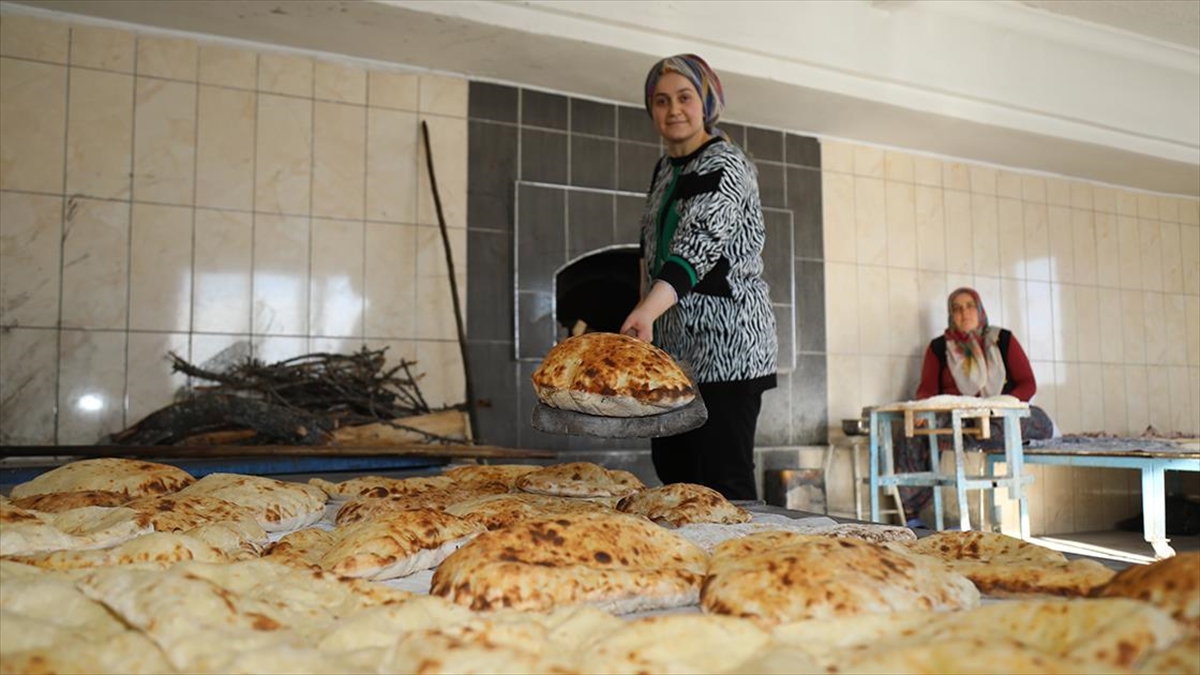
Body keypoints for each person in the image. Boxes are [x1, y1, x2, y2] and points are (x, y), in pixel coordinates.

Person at [619, 54, 777, 501]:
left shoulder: (727, 163)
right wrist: (642, 324)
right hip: (674, 354)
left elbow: (700, 243)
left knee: (724, 482)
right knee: (674, 476)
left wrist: (647, 309)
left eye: (685, 98)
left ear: (707, 102)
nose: (673, 110)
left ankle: (743, 569)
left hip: (728, 351)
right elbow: (649, 251)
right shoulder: (665, 169)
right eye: (662, 100)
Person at [896, 287, 1054, 522]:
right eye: (957, 308)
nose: (964, 312)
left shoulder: (1002, 340)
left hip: (998, 416)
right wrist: (922, 407)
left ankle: (985, 434)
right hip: (958, 420)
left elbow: (1027, 384)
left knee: (1037, 421)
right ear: (951, 315)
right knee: (913, 431)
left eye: (969, 305)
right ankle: (912, 514)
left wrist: (999, 407)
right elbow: (927, 388)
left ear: (980, 310)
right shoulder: (940, 348)